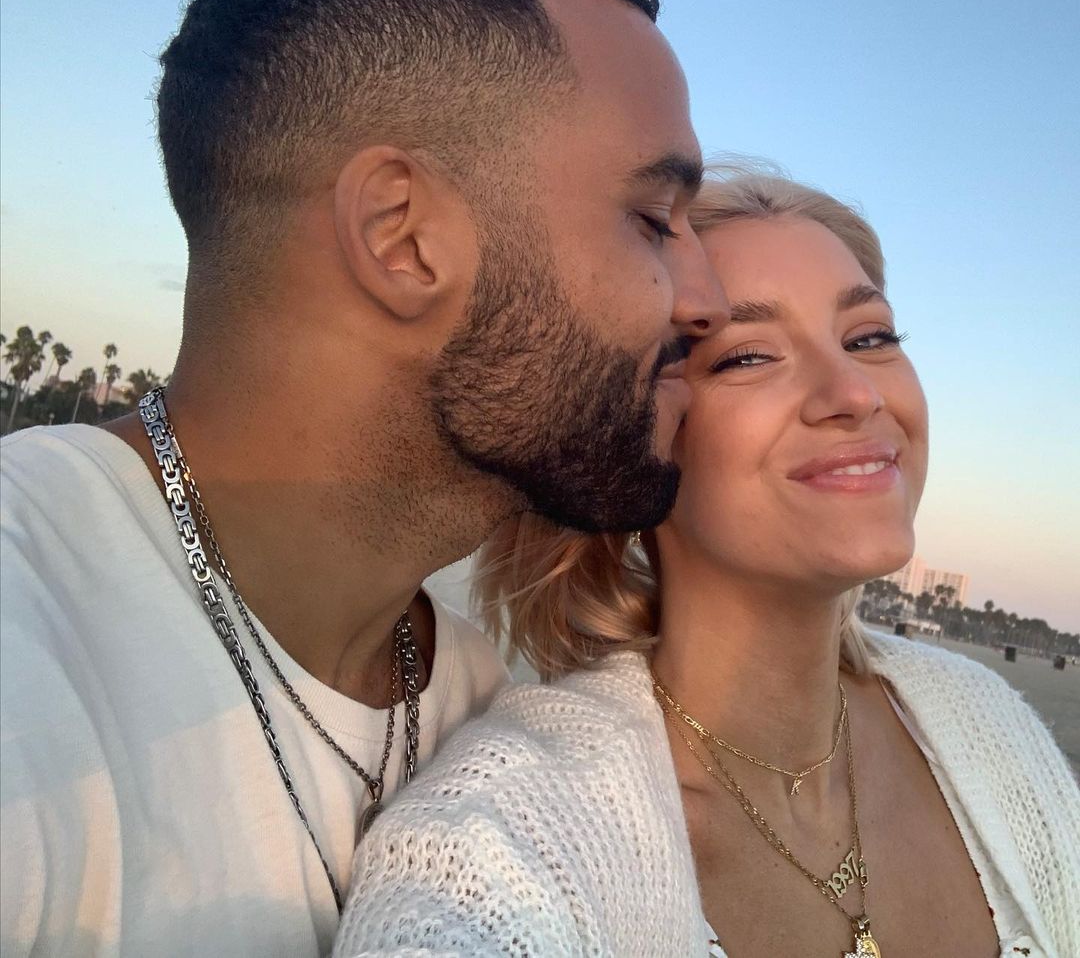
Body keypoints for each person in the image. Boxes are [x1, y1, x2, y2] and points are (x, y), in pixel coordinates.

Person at [0, 0, 729, 954]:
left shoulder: (483, 710)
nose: (707, 301)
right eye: (653, 220)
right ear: (403, 238)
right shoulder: (30, 665)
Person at [332, 169, 1080, 958]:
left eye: (869, 338)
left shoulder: (986, 722)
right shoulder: (498, 848)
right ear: (636, 442)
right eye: (749, 356)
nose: (856, 393)